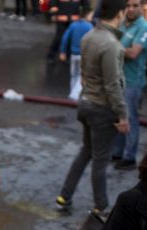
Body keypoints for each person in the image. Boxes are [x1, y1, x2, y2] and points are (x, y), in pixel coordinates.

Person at [56, 0, 130, 215]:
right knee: (100, 159)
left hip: (86, 102)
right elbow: (112, 84)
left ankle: (65, 196)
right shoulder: (111, 44)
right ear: (121, 13)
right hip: (101, 108)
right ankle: (101, 206)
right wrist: (122, 115)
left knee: (86, 151)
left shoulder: (89, 36)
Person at [112, 0, 147, 168]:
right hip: (118, 79)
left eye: (135, 5)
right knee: (118, 117)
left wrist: (111, 47)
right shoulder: (122, 23)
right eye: (128, 5)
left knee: (130, 118)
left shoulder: (145, 27)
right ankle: (117, 152)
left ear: (141, 7)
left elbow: (134, 53)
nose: (130, 9)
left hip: (133, 82)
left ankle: (129, 157)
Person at [59, 6, 95, 100]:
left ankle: (72, 93)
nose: (92, 17)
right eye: (91, 15)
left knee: (73, 75)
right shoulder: (90, 27)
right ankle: (75, 95)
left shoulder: (73, 25)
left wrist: (63, 52)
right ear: (87, 15)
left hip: (73, 55)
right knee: (82, 76)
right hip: (84, 56)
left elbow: (65, 38)